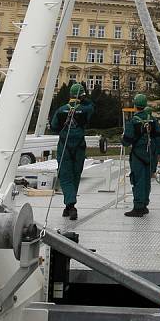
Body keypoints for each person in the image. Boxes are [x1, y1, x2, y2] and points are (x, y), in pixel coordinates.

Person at [51, 82, 94, 220]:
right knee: (76, 174)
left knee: (65, 175)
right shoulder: (85, 109)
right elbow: (91, 108)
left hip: (64, 146)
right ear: (81, 96)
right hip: (79, 146)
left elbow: (54, 127)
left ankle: (70, 204)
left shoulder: (61, 110)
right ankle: (69, 205)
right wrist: (84, 100)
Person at [121, 93, 160, 217]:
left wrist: (122, 139)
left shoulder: (133, 121)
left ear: (135, 105)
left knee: (137, 180)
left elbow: (127, 141)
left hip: (138, 155)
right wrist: (159, 153)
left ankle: (138, 207)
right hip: (150, 154)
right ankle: (144, 205)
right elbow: (158, 136)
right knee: (146, 180)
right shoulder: (153, 120)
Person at [146, 104, 160, 177]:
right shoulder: (154, 122)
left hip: (142, 144)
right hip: (153, 143)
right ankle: (151, 172)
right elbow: (159, 137)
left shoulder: (138, 120)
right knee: (153, 158)